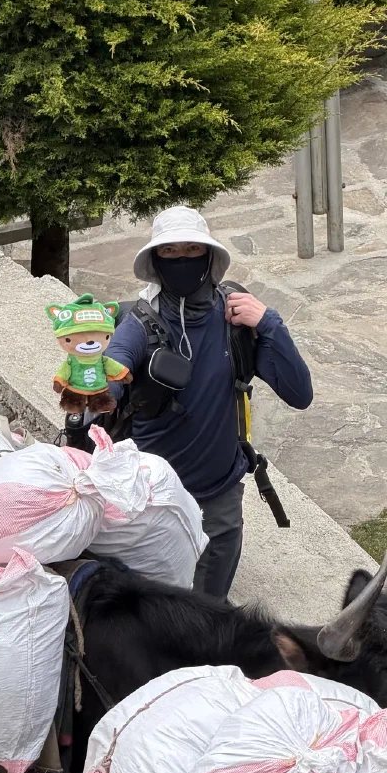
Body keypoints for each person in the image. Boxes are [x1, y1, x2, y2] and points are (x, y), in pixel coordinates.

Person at [106, 206, 312, 599]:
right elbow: (114, 367)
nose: (182, 259)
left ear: (209, 257)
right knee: (161, 617)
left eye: (191, 249)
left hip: (220, 503)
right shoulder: (138, 324)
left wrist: (268, 322)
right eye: (170, 252)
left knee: (210, 611)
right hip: (154, 505)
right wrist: (96, 387)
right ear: (155, 261)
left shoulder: (237, 320)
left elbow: (300, 394)